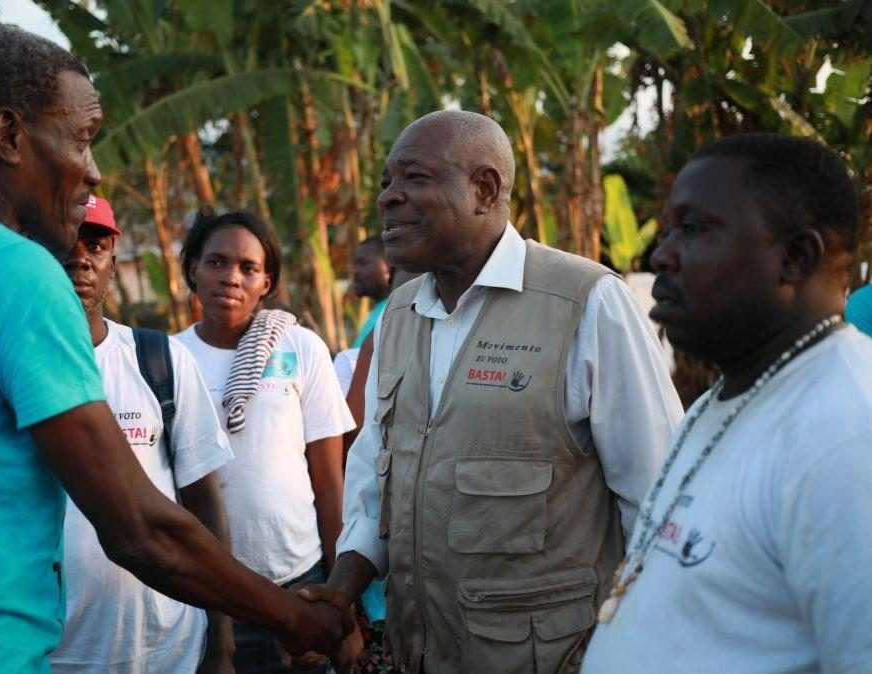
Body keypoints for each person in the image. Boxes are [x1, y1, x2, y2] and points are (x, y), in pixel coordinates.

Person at [0, 26, 347, 674]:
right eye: (82, 138)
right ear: (8, 136)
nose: (92, 170)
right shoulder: (14, 274)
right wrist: (296, 619)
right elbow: (138, 530)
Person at [297, 110, 684, 673]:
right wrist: (341, 589)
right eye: (386, 183)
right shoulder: (398, 317)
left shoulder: (587, 302)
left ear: (485, 188)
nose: (388, 199)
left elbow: (657, 501)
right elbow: (372, 483)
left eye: (414, 179)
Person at [582, 134, 872, 672]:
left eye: (693, 230)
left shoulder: (849, 429)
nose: (660, 254)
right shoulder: (730, 394)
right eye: (669, 228)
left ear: (794, 257)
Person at [49, 196, 236, 674]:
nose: (80, 256)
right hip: (50, 655)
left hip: (167, 649)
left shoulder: (161, 361)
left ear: (113, 261)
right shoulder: (1, 369)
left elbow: (203, 503)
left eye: (95, 244)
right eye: (64, 241)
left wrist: (222, 644)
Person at [174, 211, 357, 674]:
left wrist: (337, 599)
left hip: (302, 584)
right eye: (216, 262)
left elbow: (330, 483)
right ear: (193, 268)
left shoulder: (300, 348)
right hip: (206, 593)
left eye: (247, 268)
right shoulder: (169, 359)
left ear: (266, 281)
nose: (230, 277)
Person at [351, 235, 392, 347]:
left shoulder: (395, 312)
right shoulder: (379, 311)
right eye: (355, 265)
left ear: (389, 265)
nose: (355, 271)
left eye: (363, 263)